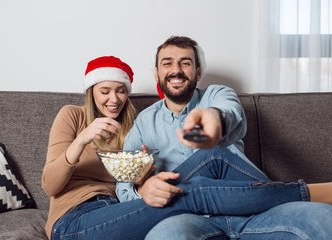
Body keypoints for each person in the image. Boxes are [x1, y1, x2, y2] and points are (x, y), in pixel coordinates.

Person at [43, 56, 312, 240]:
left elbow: (127, 186)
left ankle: (281, 201)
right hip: (73, 221)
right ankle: (306, 193)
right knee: (186, 195)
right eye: (105, 91)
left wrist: (143, 174)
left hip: (116, 211)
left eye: (121, 91)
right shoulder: (73, 116)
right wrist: (81, 140)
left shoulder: (132, 126)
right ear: (91, 92)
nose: (114, 99)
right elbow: (50, 185)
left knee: (215, 155)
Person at [116, 36, 332, 239]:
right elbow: (123, 184)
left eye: (185, 63)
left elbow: (230, 113)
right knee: (165, 236)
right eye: (167, 63)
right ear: (156, 73)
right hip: (189, 219)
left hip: (253, 209)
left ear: (198, 72)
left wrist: (215, 119)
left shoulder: (217, 95)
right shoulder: (143, 122)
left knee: (323, 218)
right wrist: (142, 189)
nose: (176, 70)